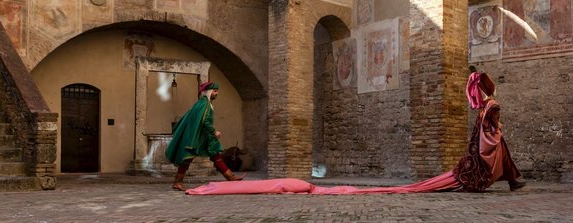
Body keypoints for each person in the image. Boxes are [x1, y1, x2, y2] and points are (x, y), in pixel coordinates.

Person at [183, 70, 526, 195]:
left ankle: (511, 179)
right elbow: (488, 128)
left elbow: (488, 127)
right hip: (486, 144)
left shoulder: (487, 106)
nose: (216, 95)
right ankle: (509, 179)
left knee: (503, 157)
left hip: (487, 144)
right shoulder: (490, 106)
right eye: (214, 92)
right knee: (501, 158)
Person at [452, 69, 526, 192]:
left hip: (484, 138)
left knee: (505, 159)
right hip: (492, 138)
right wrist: (499, 126)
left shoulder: (484, 105)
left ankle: (512, 181)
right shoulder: (493, 105)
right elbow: (494, 123)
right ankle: (511, 182)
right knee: (504, 158)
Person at [166, 81, 244, 191]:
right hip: (198, 137)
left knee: (215, 155)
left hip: (205, 136)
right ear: (209, 92)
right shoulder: (204, 103)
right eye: (215, 91)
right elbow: (205, 121)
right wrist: (214, 132)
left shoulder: (205, 103)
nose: (217, 93)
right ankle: (177, 182)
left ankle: (231, 177)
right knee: (187, 158)